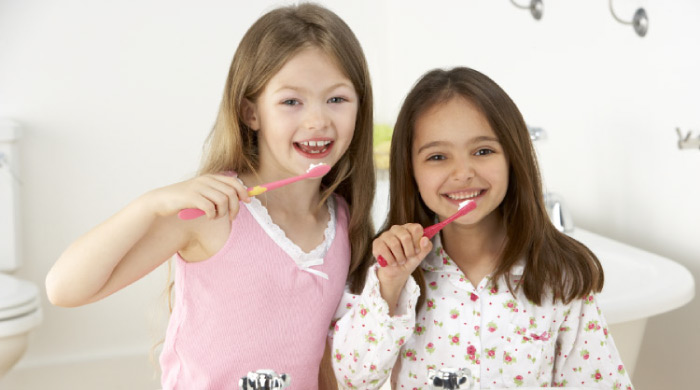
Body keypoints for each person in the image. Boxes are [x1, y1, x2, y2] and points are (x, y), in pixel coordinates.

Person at [45, 3, 376, 389]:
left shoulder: (343, 219)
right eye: (291, 101)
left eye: (336, 99)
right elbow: (64, 288)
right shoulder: (215, 211)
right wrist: (150, 204)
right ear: (251, 112)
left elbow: (326, 359)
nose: (318, 120)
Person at [330, 67, 633, 389]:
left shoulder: (560, 276)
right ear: (411, 171)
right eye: (437, 157)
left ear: (513, 158)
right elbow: (353, 377)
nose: (463, 172)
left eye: (483, 151)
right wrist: (389, 286)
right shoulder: (391, 274)